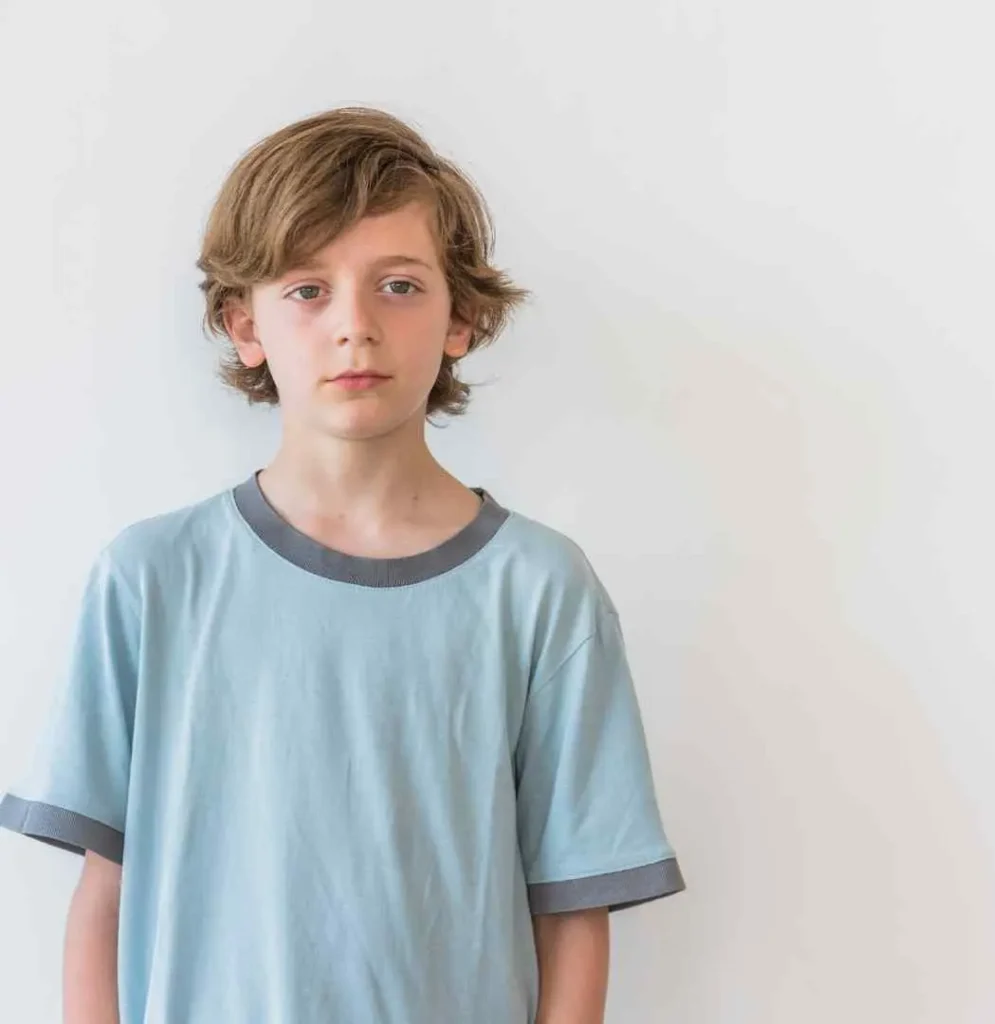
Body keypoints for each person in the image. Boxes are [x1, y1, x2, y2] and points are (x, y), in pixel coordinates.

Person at [0, 105, 684, 1024]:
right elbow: (105, 901)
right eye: (306, 289)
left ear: (462, 317)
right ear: (245, 326)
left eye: (398, 285)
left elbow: (572, 916)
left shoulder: (541, 593)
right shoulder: (151, 580)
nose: (353, 326)